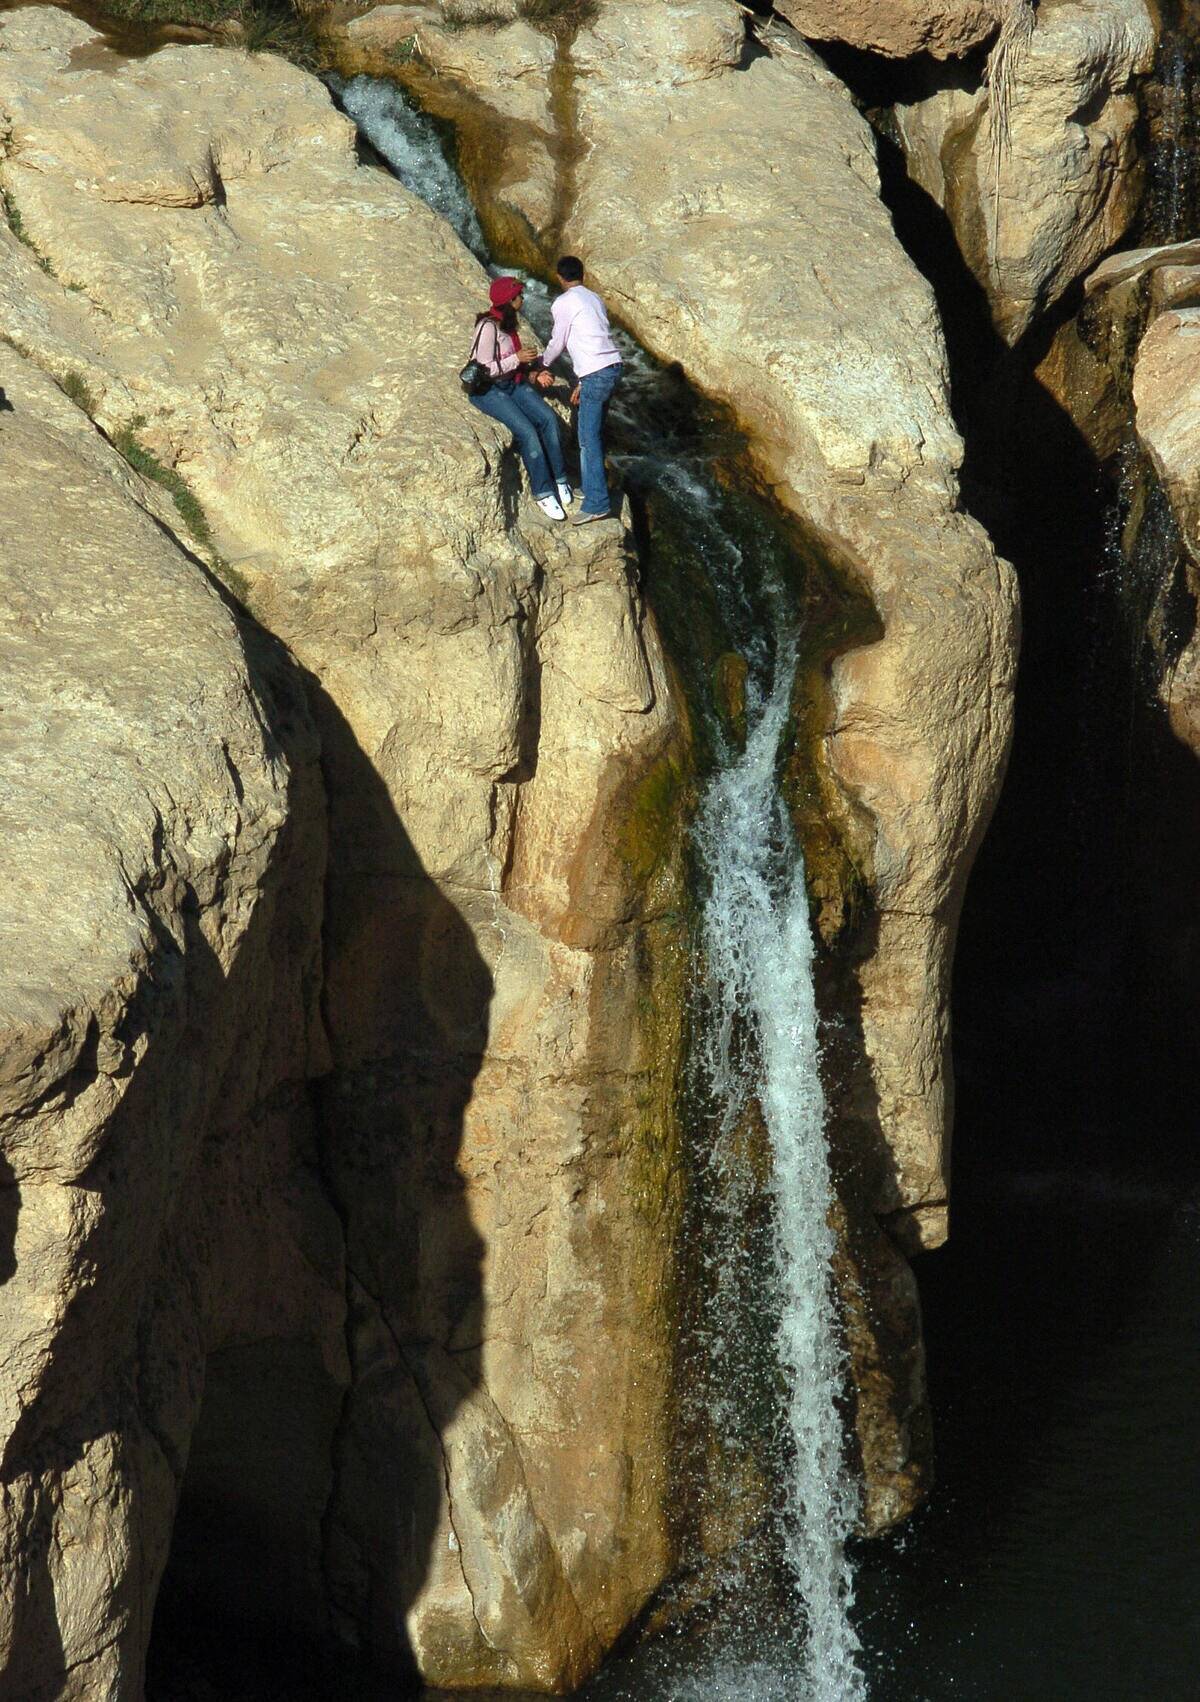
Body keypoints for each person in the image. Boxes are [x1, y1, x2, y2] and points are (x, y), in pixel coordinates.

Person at [466, 276, 573, 522]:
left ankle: (560, 478)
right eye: (519, 296)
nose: (522, 299)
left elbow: (516, 364)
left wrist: (534, 373)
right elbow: (484, 368)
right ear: (509, 301)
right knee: (527, 431)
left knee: (548, 419)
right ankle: (542, 491)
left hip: (512, 382)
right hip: (489, 389)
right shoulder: (488, 327)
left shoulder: (510, 323)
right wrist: (517, 358)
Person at [538, 255, 623, 525]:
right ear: (582, 275)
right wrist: (583, 381)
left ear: (559, 277)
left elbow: (558, 340)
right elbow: (596, 337)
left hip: (596, 374)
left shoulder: (564, 302)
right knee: (595, 433)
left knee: (587, 440)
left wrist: (542, 364)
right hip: (612, 367)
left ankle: (597, 503)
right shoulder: (594, 298)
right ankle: (590, 487)